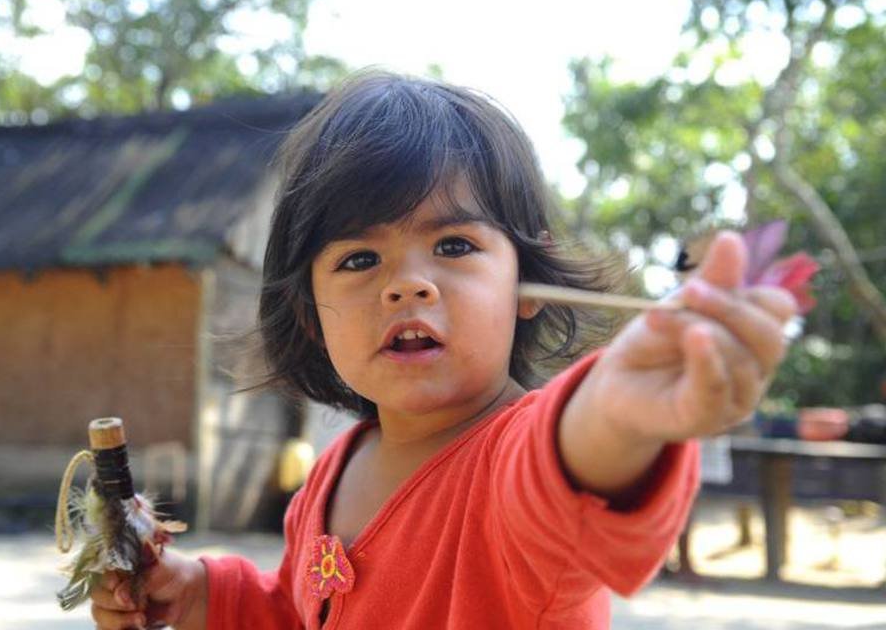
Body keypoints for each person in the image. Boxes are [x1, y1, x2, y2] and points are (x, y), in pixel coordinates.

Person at [89, 71, 796, 629]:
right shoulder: (331, 474)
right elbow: (300, 612)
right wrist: (200, 594)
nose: (409, 286)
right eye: (360, 260)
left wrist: (616, 410)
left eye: (454, 245)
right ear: (309, 312)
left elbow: (564, 463)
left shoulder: (517, 456)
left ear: (529, 281)